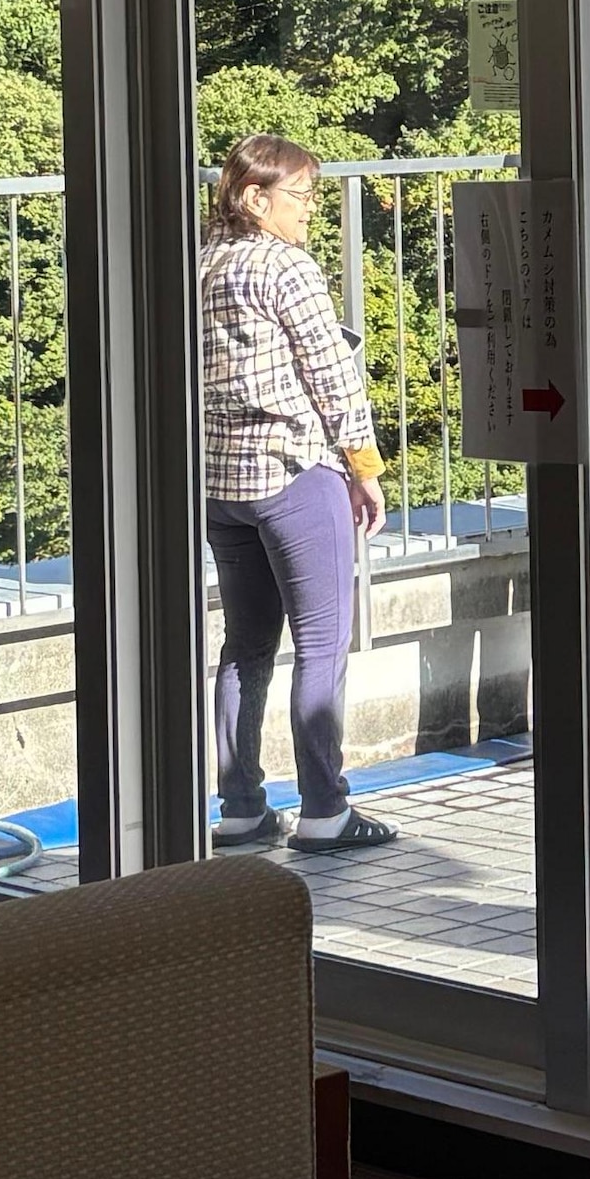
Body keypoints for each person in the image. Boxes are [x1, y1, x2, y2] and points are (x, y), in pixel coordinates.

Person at [196, 132, 393, 855]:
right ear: (255, 197)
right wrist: (364, 470)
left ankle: (241, 809)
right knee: (320, 644)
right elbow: (333, 379)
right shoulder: (285, 267)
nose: (311, 209)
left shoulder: (198, 264)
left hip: (221, 485)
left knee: (246, 644)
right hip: (294, 474)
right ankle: (325, 810)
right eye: (301, 195)